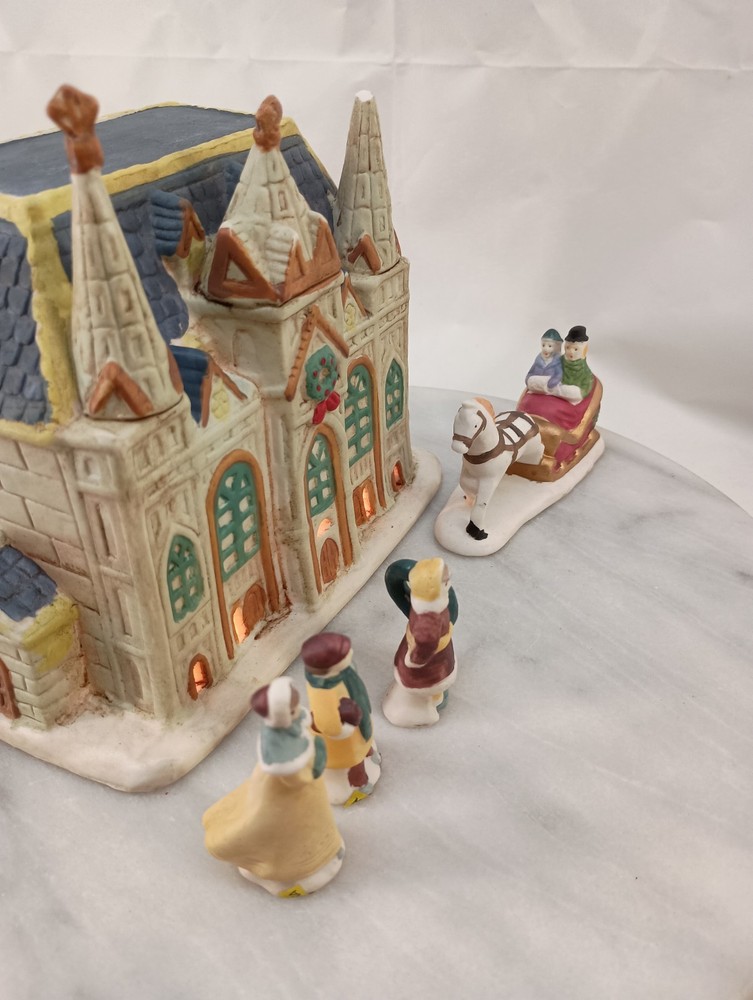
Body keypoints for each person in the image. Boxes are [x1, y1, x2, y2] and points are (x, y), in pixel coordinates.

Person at [202, 676, 344, 897]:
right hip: (288, 798)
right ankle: (295, 871)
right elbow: (297, 777)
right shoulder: (279, 750)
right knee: (292, 832)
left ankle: (325, 853)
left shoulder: (293, 723)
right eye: (293, 706)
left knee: (314, 818)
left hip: (304, 792)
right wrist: (318, 755)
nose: (298, 709)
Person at [303, 631, 381, 806]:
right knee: (353, 756)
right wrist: (349, 722)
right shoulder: (323, 691)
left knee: (364, 740)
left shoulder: (345, 673)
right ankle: (359, 781)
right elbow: (329, 725)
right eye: (344, 654)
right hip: (342, 737)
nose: (350, 654)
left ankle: (369, 751)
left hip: (359, 719)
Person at [525, 328, 563, 394]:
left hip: (550, 389)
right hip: (535, 388)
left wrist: (551, 383)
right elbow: (530, 373)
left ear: (556, 347)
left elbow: (559, 375)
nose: (545, 348)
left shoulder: (558, 361)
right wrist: (528, 380)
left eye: (550, 346)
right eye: (543, 345)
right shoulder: (538, 360)